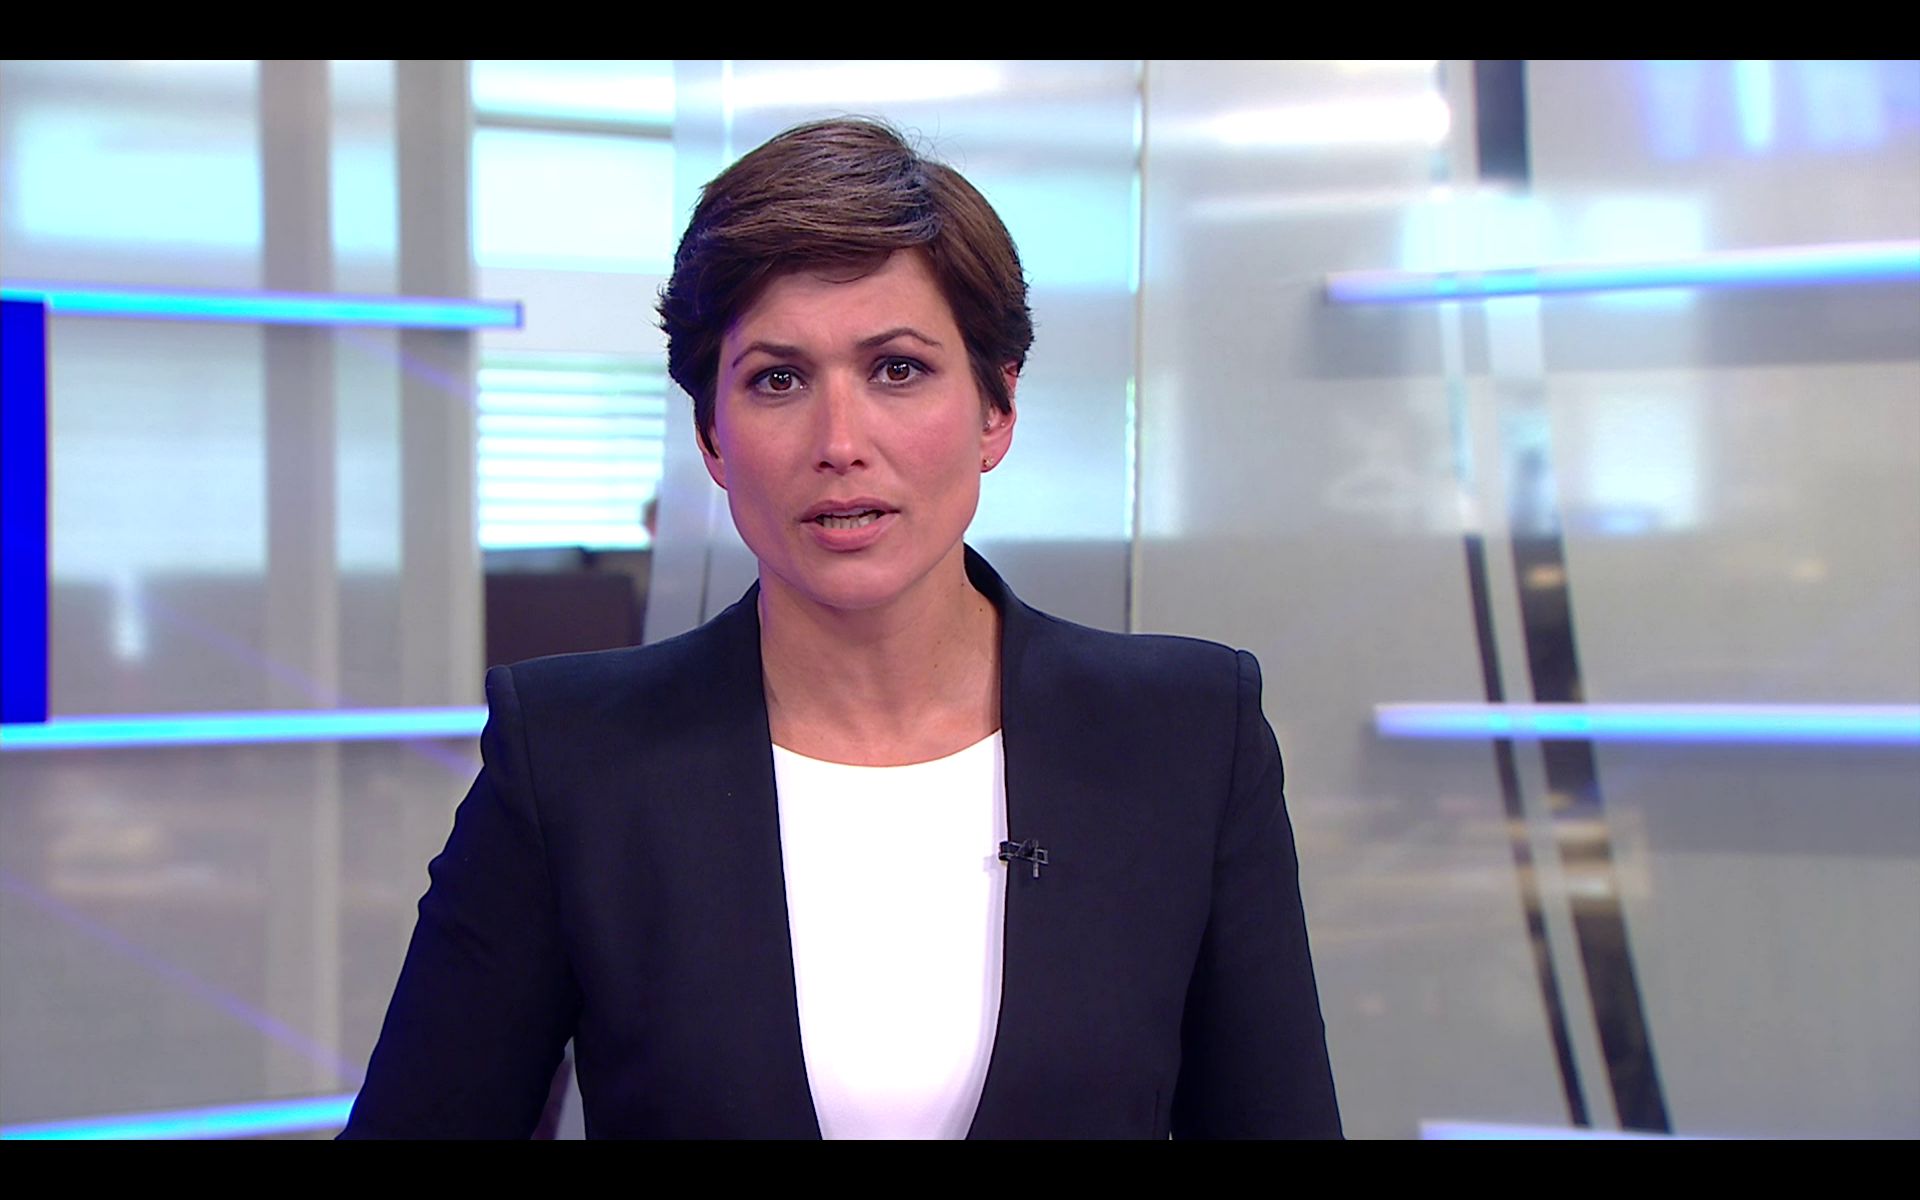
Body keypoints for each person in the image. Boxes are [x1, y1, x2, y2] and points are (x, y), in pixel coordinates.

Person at [341, 117, 1340, 1140]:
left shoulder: (1186, 735)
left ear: (996, 407)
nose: (840, 442)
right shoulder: (573, 759)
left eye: (897, 369)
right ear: (712, 436)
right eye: (777, 379)